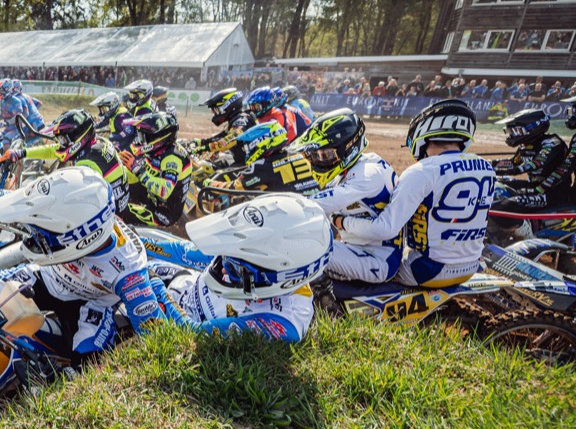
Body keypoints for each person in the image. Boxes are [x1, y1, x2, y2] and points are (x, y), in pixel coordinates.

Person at [0, 167, 163, 360]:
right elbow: (6, 199)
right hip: (48, 276)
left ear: (81, 239)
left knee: (84, 365)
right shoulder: (71, 204)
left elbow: (155, 340)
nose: (33, 238)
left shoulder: (130, 273)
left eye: (43, 236)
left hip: (94, 305)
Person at [334, 100, 495, 287]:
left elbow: (385, 228)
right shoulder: (487, 167)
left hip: (426, 270)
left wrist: (341, 222)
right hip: (471, 266)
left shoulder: (422, 171)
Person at [137, 193, 332, 342]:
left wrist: (153, 284)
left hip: (174, 318)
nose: (223, 269)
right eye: (227, 257)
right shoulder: (252, 253)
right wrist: (137, 242)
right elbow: (185, 253)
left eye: (235, 268)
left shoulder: (285, 322)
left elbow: (192, 333)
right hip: (181, 285)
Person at [291, 111, 401, 282]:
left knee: (302, 253)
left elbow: (329, 200)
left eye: (325, 155)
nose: (318, 160)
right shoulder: (353, 169)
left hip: (379, 259)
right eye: (315, 155)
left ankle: (320, 297)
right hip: (357, 250)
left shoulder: (368, 173)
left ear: (348, 148)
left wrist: (288, 207)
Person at [0, 109, 130, 216]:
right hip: (118, 202)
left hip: (112, 214)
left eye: (62, 139)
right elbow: (54, 150)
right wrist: (23, 153)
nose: (60, 143)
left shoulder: (87, 162)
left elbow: (71, 197)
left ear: (77, 137)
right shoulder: (97, 143)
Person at [489, 108, 574, 221]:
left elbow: (536, 163)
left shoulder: (552, 142)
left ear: (532, 128)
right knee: (495, 183)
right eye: (510, 131)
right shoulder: (525, 145)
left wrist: (506, 171)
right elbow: (513, 162)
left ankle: (524, 230)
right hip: (533, 186)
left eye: (516, 131)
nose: (512, 134)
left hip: (552, 193)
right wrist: (488, 164)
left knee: (504, 206)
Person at [120, 110, 193, 228]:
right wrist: (117, 170)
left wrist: (136, 169)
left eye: (143, 136)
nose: (139, 141)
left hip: (164, 214)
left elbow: (164, 191)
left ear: (157, 136)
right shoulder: (158, 151)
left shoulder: (172, 158)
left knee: (119, 210)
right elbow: (137, 176)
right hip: (152, 199)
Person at [0, 78, 46, 144]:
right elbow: (39, 103)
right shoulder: (25, 96)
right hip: (38, 120)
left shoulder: (18, 98)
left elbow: (24, 114)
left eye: (12, 88)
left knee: (24, 140)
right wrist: (33, 111)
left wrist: (29, 115)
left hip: (33, 123)